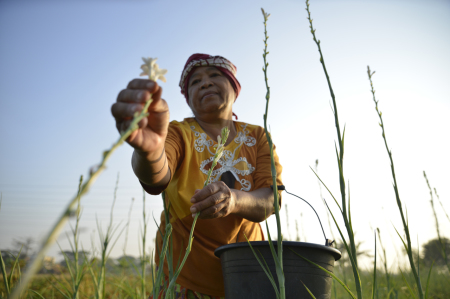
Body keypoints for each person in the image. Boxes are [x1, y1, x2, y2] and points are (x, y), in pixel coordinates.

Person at [111, 53, 283, 298]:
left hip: (248, 274)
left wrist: (233, 200)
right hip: (185, 278)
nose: (205, 83)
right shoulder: (178, 132)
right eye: (195, 82)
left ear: (235, 89)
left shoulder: (258, 137)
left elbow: (271, 200)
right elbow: (156, 178)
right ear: (188, 99)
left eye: (215, 75)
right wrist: (148, 150)